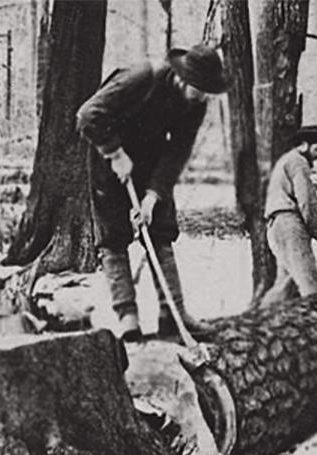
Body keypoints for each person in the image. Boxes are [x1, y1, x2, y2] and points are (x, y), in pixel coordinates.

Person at [76, 44, 227, 342]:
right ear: (182, 78)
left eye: (207, 91)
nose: (202, 96)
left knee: (161, 229)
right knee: (114, 237)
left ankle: (172, 313)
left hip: (151, 159)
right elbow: (88, 115)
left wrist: (153, 195)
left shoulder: (196, 103)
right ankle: (127, 318)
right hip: (108, 156)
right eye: (198, 89)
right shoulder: (143, 77)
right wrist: (115, 152)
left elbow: (178, 150)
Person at [260, 125, 317, 308]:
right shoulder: (298, 162)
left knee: (284, 288)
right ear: (303, 145)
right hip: (289, 226)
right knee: (314, 287)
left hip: (276, 227)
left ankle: (257, 326)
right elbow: (306, 201)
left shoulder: (287, 161)